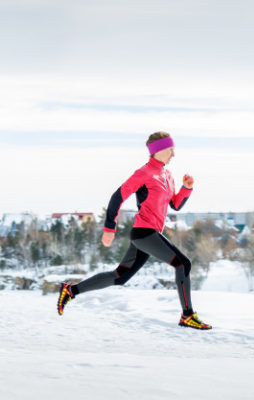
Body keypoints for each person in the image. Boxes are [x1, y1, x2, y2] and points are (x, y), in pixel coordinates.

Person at [57, 131, 212, 330]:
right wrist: (109, 228)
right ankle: (188, 315)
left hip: (150, 234)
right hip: (144, 232)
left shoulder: (167, 175)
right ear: (160, 150)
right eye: (171, 150)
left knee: (120, 277)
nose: (173, 154)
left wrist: (186, 189)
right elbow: (117, 197)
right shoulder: (144, 173)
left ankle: (70, 290)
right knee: (183, 264)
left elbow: (174, 205)